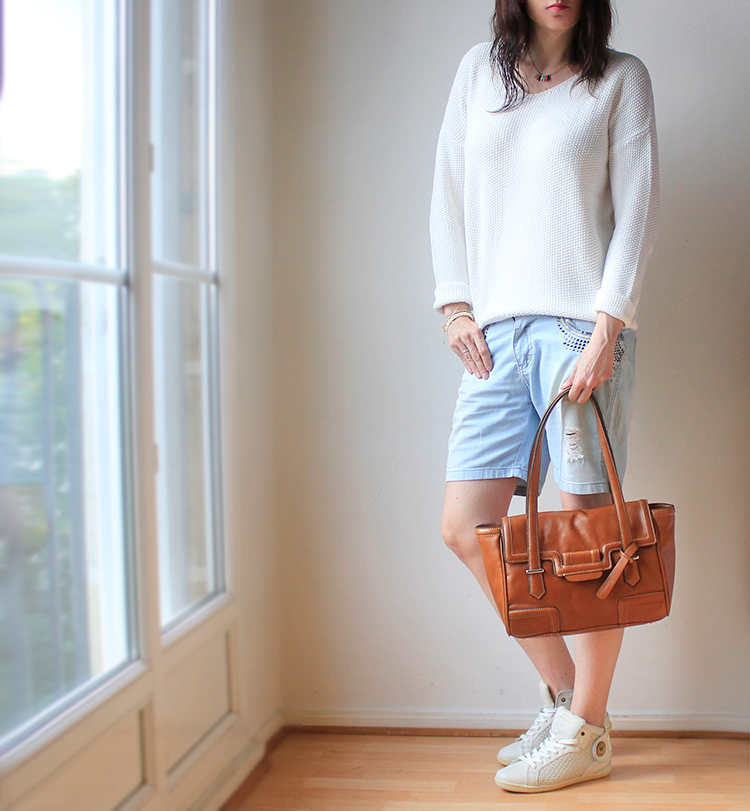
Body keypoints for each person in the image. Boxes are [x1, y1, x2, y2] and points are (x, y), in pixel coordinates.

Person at [429, 0, 660, 795]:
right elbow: (447, 190)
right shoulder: (478, 73)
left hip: (580, 332)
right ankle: (569, 701)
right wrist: (454, 303)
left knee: (590, 540)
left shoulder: (620, 80)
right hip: (495, 334)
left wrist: (606, 330)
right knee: (466, 525)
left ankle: (585, 729)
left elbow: (638, 211)